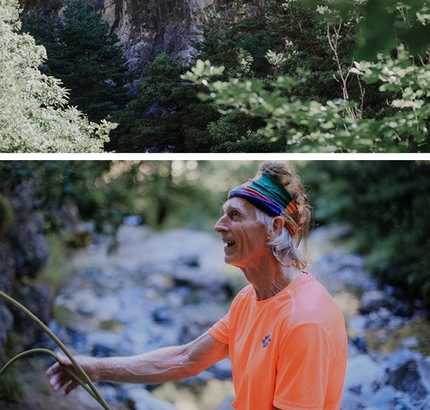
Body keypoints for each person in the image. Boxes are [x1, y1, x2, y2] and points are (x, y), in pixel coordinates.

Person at [46, 160, 349, 410]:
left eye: (234, 215)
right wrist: (96, 369)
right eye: (222, 213)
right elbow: (188, 358)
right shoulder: (248, 298)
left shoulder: (304, 321)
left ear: (275, 229)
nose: (219, 225)